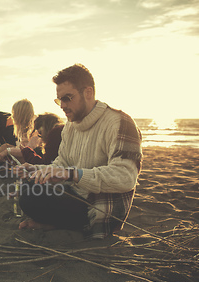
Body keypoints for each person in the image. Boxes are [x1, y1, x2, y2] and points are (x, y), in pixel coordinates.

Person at [17, 64, 142, 239]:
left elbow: (125, 177)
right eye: (59, 100)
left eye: (67, 98)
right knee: (29, 189)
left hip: (100, 206)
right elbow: (62, 162)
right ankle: (60, 223)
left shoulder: (119, 122)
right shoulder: (70, 126)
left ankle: (65, 224)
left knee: (30, 196)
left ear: (88, 92)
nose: (62, 105)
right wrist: (39, 171)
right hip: (74, 195)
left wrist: (72, 174)